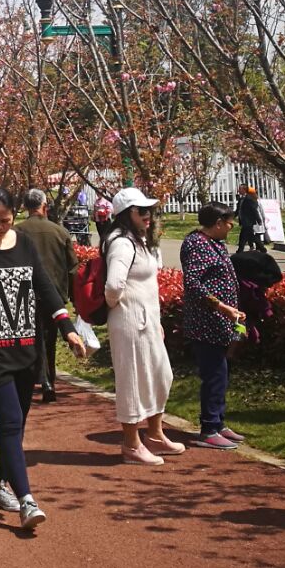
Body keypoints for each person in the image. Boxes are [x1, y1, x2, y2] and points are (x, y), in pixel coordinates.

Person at [0, 185, 90, 529]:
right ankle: (27, 500)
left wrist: (68, 328)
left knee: (17, 425)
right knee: (11, 422)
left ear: (14, 215)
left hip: (28, 351)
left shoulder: (24, 244)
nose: (0, 227)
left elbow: (45, 287)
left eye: (6, 220)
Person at [103, 187, 179, 463]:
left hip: (147, 322)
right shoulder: (122, 243)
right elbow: (114, 285)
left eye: (150, 210)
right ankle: (131, 444)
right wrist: (120, 307)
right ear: (126, 214)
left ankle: (155, 435)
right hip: (130, 322)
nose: (148, 215)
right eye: (142, 211)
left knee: (160, 376)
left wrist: (154, 320)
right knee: (133, 382)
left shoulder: (140, 240)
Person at [180, 202, 247, 449]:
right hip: (206, 322)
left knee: (222, 373)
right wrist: (221, 307)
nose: (232, 227)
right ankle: (209, 427)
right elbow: (194, 284)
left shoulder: (215, 243)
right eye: (229, 223)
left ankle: (218, 422)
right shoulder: (197, 244)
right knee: (214, 374)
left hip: (222, 322)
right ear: (218, 223)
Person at [19, 188, 75, 404]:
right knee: (49, 339)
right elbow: (72, 267)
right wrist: (71, 295)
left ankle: (39, 378)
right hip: (54, 295)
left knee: (30, 338)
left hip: (25, 294)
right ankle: (48, 380)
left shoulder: (17, 232)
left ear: (26, 207)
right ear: (44, 206)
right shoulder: (60, 232)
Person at [235, 186, 263, 254]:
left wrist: (258, 220)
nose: (238, 190)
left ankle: (240, 250)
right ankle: (262, 248)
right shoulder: (241, 199)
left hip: (249, 221)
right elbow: (238, 210)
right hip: (243, 221)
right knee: (250, 236)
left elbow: (254, 210)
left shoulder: (249, 199)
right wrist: (232, 216)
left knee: (243, 236)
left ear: (244, 190)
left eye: (240, 189)